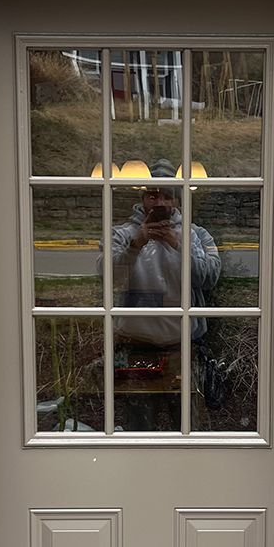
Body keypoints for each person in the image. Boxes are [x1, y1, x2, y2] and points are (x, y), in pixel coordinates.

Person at [107, 159, 221, 428]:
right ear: (142, 198)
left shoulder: (197, 235)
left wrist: (178, 243)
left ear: (178, 201)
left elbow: (209, 278)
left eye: (168, 196)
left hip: (183, 347)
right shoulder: (122, 235)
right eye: (152, 195)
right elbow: (107, 277)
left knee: (189, 426)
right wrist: (136, 244)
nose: (159, 203)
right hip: (136, 347)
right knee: (138, 427)